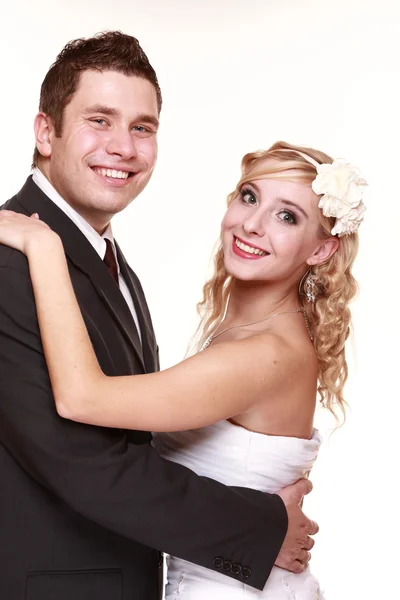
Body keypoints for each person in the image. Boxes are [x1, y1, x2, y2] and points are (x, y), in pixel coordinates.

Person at [0, 32, 316, 600]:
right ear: (45, 132)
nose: (123, 146)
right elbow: (79, 460)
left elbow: (129, 441)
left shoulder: (109, 262)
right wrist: (260, 527)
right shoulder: (11, 261)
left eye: (142, 128)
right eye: (100, 120)